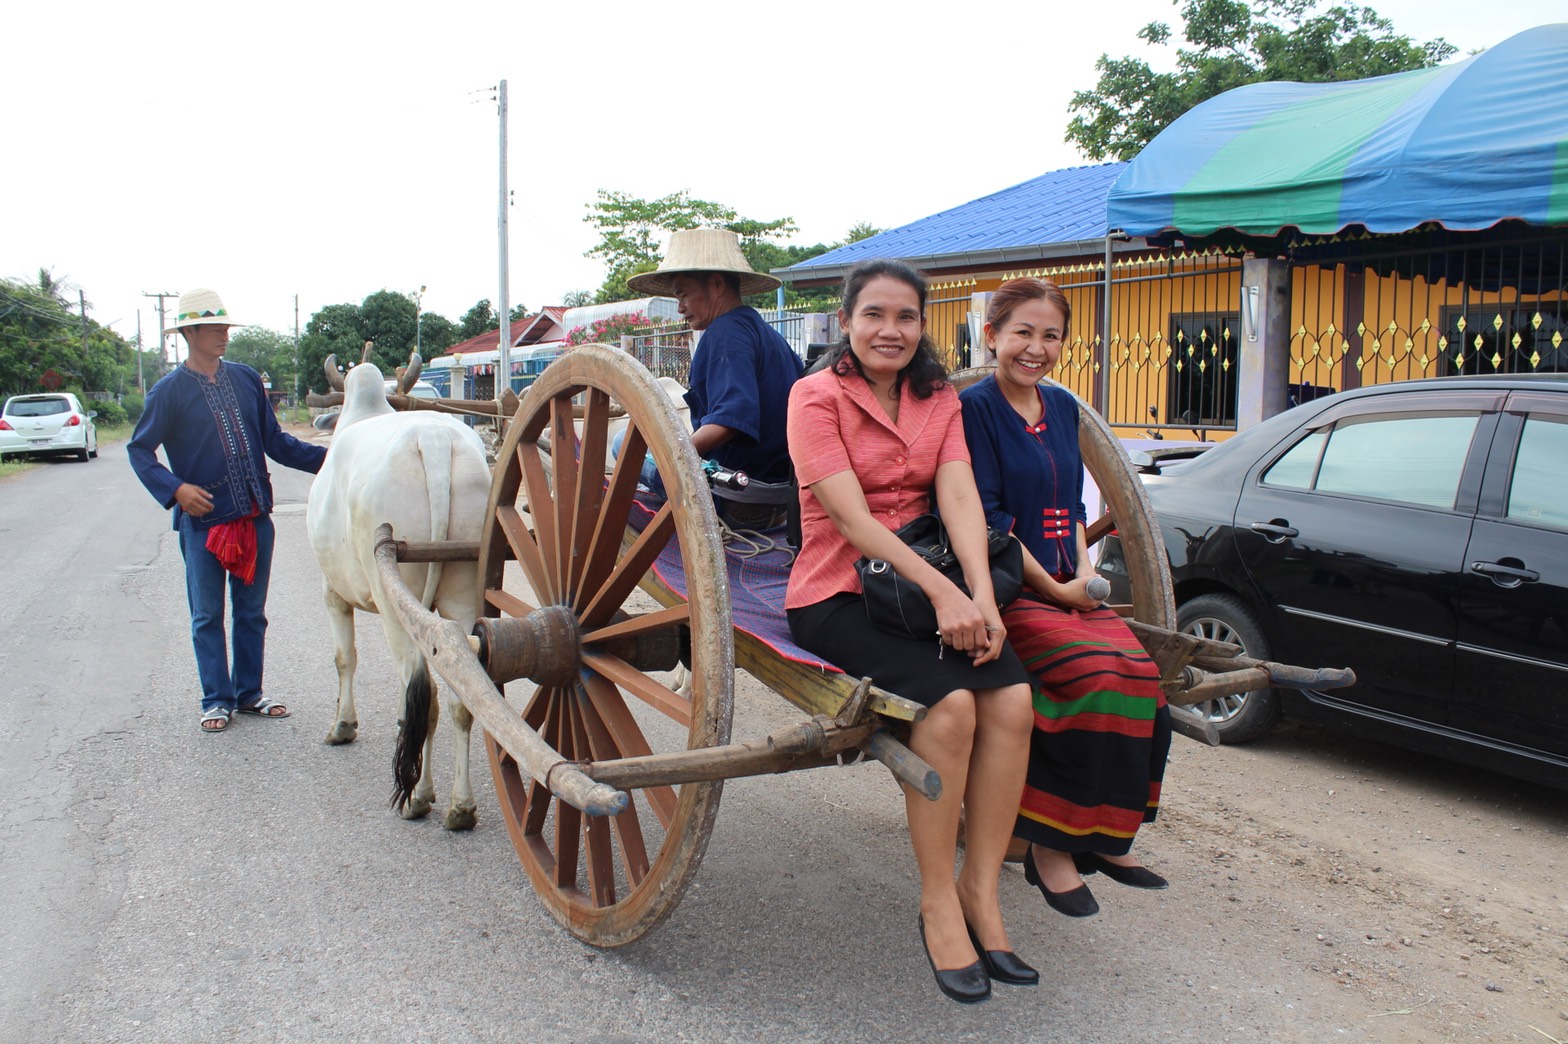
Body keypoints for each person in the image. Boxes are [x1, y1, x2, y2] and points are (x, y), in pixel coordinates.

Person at [786, 260, 1035, 1004]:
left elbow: (960, 497)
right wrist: (945, 592)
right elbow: (852, 521)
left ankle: (981, 894)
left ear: (923, 325)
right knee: (953, 709)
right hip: (839, 592)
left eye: (905, 317)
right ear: (847, 323)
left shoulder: (939, 398)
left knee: (1014, 702)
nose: (890, 331)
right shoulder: (815, 396)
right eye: (874, 316)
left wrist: (983, 598)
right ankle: (936, 902)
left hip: (931, 590)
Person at [959, 277, 1173, 918]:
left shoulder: (1064, 411)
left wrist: (1083, 579)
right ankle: (1050, 850)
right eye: (1022, 332)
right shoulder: (975, 410)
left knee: (1142, 677)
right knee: (1091, 678)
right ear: (992, 335)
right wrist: (1055, 589)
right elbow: (988, 521)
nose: (1036, 347)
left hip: (1068, 585)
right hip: (1010, 591)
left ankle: (1108, 836)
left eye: (1050, 335)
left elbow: (1072, 510)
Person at [128, 289, 327, 733]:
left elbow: (275, 442)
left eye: (225, 327)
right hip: (203, 524)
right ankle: (216, 699)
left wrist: (332, 460)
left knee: (251, 611)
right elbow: (140, 450)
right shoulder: (169, 392)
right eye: (214, 327)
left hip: (254, 514)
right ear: (189, 333)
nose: (224, 334)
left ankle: (249, 693)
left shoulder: (245, 379)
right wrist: (176, 488)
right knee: (207, 615)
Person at [626, 228, 803, 529]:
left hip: (737, 496)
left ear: (717, 284)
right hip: (780, 495)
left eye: (683, 294)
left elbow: (731, 418)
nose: (679, 307)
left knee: (622, 444)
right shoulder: (765, 333)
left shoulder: (725, 333)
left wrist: (676, 455)